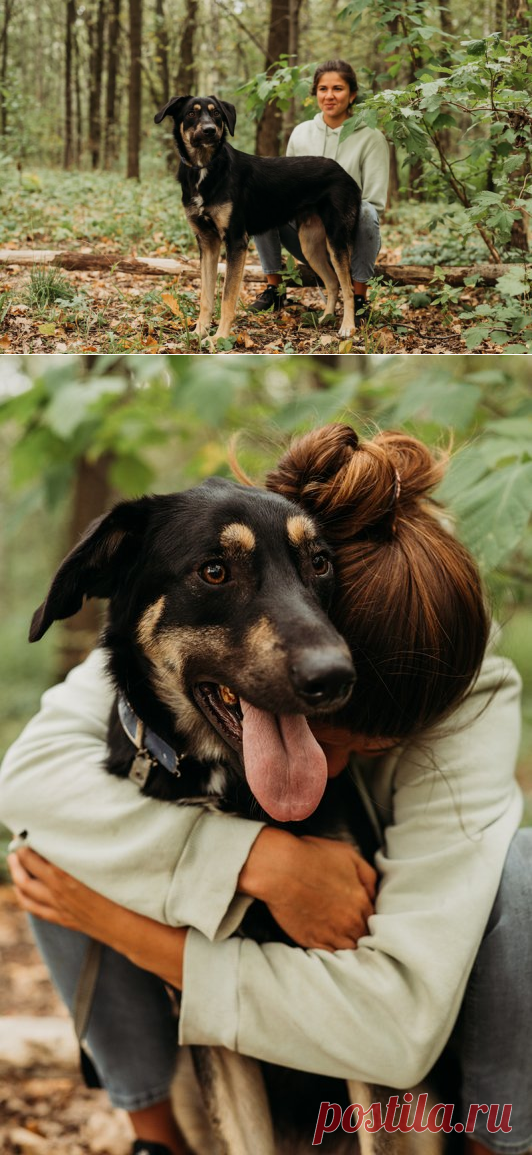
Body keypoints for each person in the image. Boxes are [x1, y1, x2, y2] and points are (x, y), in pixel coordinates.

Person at [1, 423, 530, 1155]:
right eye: (219, 573)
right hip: (240, 1074)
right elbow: (27, 783)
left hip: (403, 1062)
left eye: (346, 707)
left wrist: (143, 931)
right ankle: (157, 1139)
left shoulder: (458, 679)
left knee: (523, 872)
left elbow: (397, 1026)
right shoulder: (168, 634)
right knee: (59, 844)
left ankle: (494, 1143)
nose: (317, 674)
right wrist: (255, 861)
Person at [249, 60, 389, 327]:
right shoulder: (301, 133)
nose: (329, 96)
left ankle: (358, 300)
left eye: (338, 88)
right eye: (323, 89)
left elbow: (375, 203)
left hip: (349, 234)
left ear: (352, 94)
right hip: (305, 230)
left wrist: (336, 224)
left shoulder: (371, 137)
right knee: (262, 206)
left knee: (368, 211)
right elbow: (285, 189)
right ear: (314, 93)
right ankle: (275, 291)